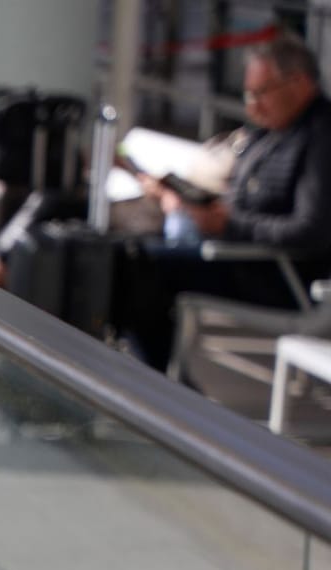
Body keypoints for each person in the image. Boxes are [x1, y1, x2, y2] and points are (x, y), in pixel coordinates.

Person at [116, 32, 331, 370]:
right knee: (128, 255)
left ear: (299, 83)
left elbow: (311, 229)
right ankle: (161, 377)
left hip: (276, 275)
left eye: (261, 93)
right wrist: (194, 202)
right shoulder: (272, 130)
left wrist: (228, 223)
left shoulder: (320, 139)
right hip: (240, 255)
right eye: (248, 94)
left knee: (138, 269)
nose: (252, 105)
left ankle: (157, 381)